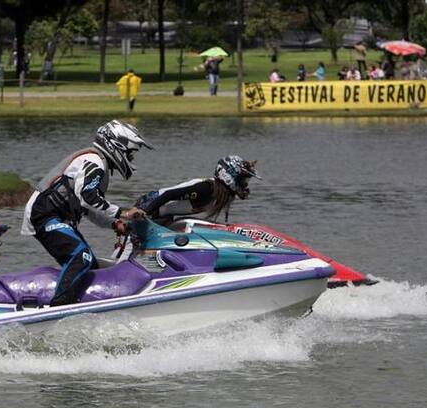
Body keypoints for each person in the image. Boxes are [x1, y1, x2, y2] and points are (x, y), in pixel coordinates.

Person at [20, 120, 152, 306]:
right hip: (44, 215)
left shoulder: (99, 165)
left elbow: (89, 208)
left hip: (57, 217)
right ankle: (57, 308)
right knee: (81, 257)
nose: (130, 159)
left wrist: (114, 223)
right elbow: (88, 198)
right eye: (130, 153)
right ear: (116, 146)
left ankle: (88, 305)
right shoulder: (94, 161)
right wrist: (124, 213)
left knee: (91, 266)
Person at [134, 155, 260, 226]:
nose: (245, 185)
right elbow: (169, 194)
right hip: (148, 207)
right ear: (230, 175)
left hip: (162, 217)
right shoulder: (206, 189)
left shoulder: (220, 194)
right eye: (243, 180)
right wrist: (143, 212)